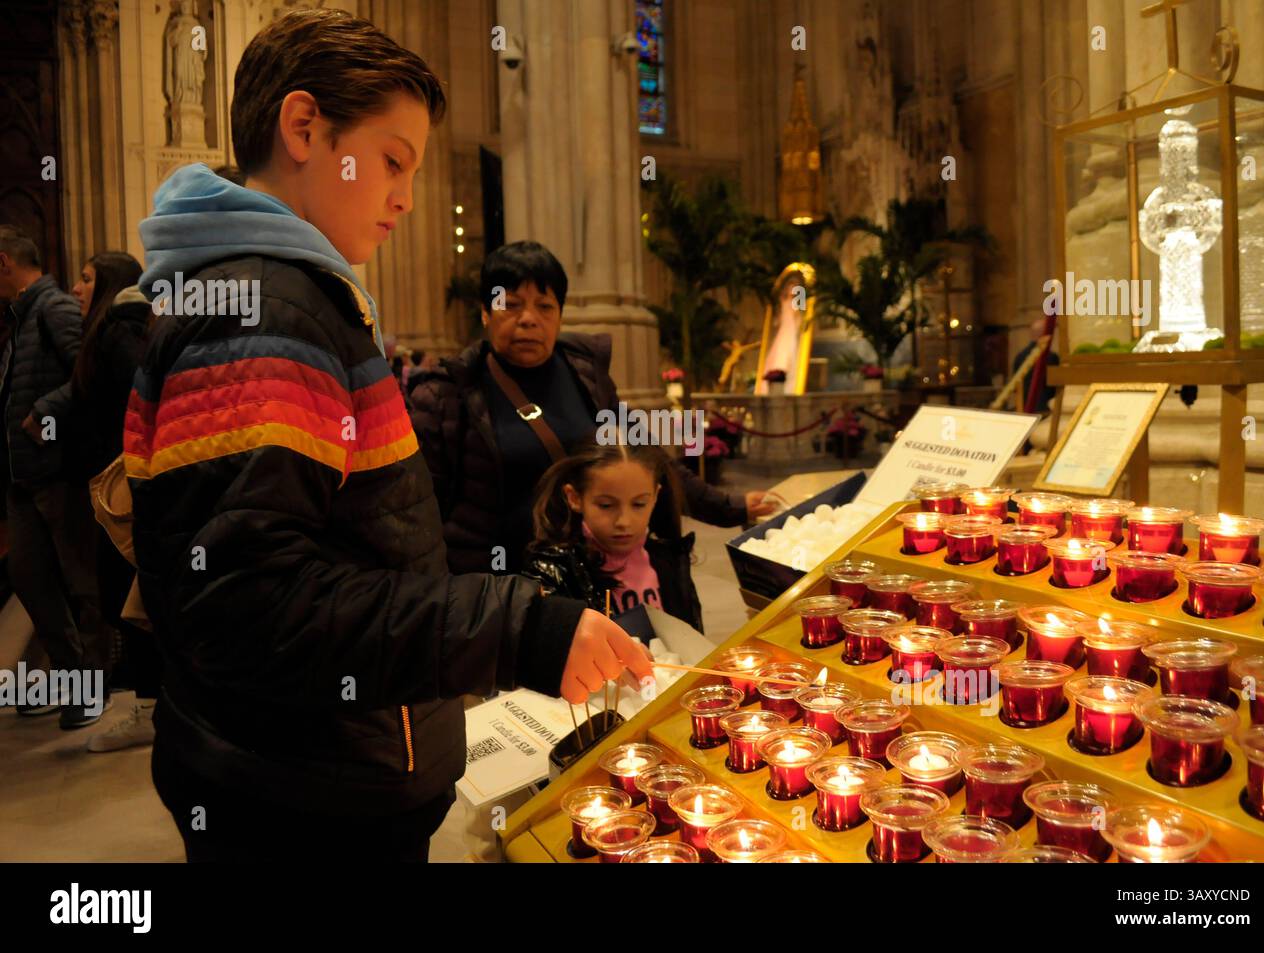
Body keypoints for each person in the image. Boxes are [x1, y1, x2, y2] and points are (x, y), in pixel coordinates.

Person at [128, 8, 650, 862]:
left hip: (318, 766)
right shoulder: (265, 312)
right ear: (305, 128)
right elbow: (249, 606)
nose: (406, 197)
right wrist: (516, 629)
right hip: (303, 798)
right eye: (393, 161)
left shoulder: (286, 298)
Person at [408, 240, 778, 576]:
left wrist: (733, 506)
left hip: (585, 577)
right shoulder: (446, 395)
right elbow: (419, 515)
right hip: (499, 589)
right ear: (486, 312)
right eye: (511, 304)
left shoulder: (585, 375)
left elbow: (648, 459)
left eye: (544, 306)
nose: (528, 318)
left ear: (559, 314)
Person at [0, 224, 111, 729]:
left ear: (5, 263)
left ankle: (94, 686)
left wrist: (45, 410)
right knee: (29, 577)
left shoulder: (53, 308)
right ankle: (69, 677)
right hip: (25, 475)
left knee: (82, 583)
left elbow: (90, 374)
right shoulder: (22, 315)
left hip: (58, 470)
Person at [52, 251, 162, 751]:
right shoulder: (118, 328)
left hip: (124, 485)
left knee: (128, 597)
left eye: (86, 278)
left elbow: (137, 401)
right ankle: (150, 705)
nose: (76, 288)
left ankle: (149, 709)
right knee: (125, 596)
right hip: (118, 481)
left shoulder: (119, 330)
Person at [524, 440, 702, 632]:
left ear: (655, 496)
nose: (624, 521)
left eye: (639, 504)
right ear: (575, 498)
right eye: (606, 505)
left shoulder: (670, 561)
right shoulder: (556, 573)